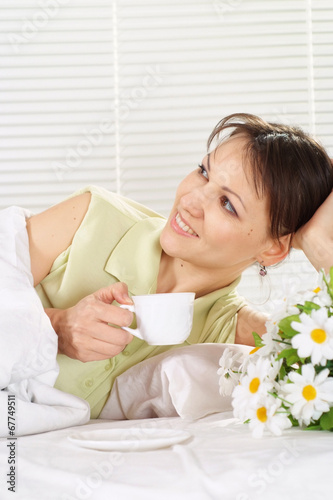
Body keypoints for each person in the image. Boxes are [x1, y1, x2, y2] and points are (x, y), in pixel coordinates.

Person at [27, 113, 333, 418]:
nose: (190, 201)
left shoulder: (226, 329)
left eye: (228, 204)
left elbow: (320, 379)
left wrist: (320, 246)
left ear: (274, 248)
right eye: (203, 172)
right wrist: (55, 326)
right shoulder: (91, 217)